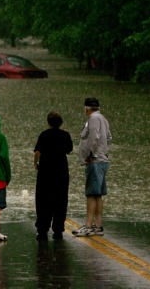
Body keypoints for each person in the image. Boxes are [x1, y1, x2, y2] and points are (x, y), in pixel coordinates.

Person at [72, 98, 112, 237]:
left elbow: (93, 137)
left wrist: (89, 154)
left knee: (91, 194)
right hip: (102, 160)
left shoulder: (93, 119)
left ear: (87, 108)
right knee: (98, 194)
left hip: (94, 161)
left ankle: (88, 225)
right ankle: (98, 226)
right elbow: (109, 138)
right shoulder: (103, 119)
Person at [33, 111, 73, 240]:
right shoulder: (65, 135)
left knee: (43, 200)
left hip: (45, 172)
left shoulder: (44, 135)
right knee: (60, 200)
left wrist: (35, 164)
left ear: (48, 122)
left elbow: (37, 152)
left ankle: (42, 229)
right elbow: (69, 150)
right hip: (61, 172)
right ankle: (58, 229)